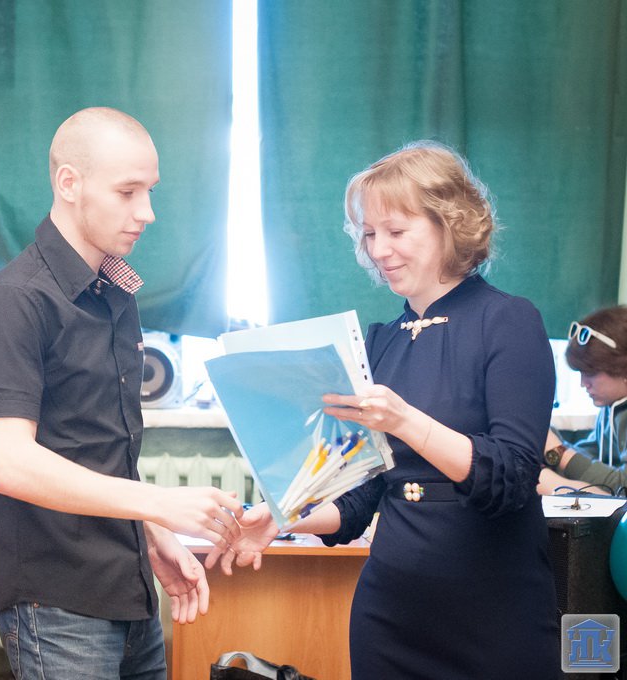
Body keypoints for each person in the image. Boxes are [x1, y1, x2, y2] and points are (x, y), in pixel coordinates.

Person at [214, 141, 560, 679]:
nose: (378, 250)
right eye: (369, 234)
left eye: (395, 231)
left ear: (450, 223)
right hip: (390, 614)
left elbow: (513, 477)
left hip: (494, 610)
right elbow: (361, 496)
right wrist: (282, 519)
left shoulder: (509, 321)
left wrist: (405, 421)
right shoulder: (379, 342)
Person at [0, 106, 244, 679]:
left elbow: (95, 447)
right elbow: (10, 464)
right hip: (58, 602)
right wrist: (157, 504)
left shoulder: (115, 288)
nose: (147, 212)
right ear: (69, 184)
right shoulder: (13, 299)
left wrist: (154, 535)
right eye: (127, 192)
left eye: (150, 192)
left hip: (128, 589)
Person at [538, 306, 627, 495]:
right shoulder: (612, 407)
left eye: (590, 373)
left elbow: (623, 485)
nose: (583, 384)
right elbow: (591, 455)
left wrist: (558, 451)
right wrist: (545, 436)